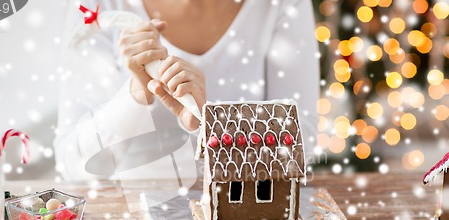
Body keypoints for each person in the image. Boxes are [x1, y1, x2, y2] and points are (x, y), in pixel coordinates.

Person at [55, 0, 319, 181]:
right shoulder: (96, 6)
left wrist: (210, 126)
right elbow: (73, 163)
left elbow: (300, 146)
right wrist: (137, 94)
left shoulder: (280, 4)